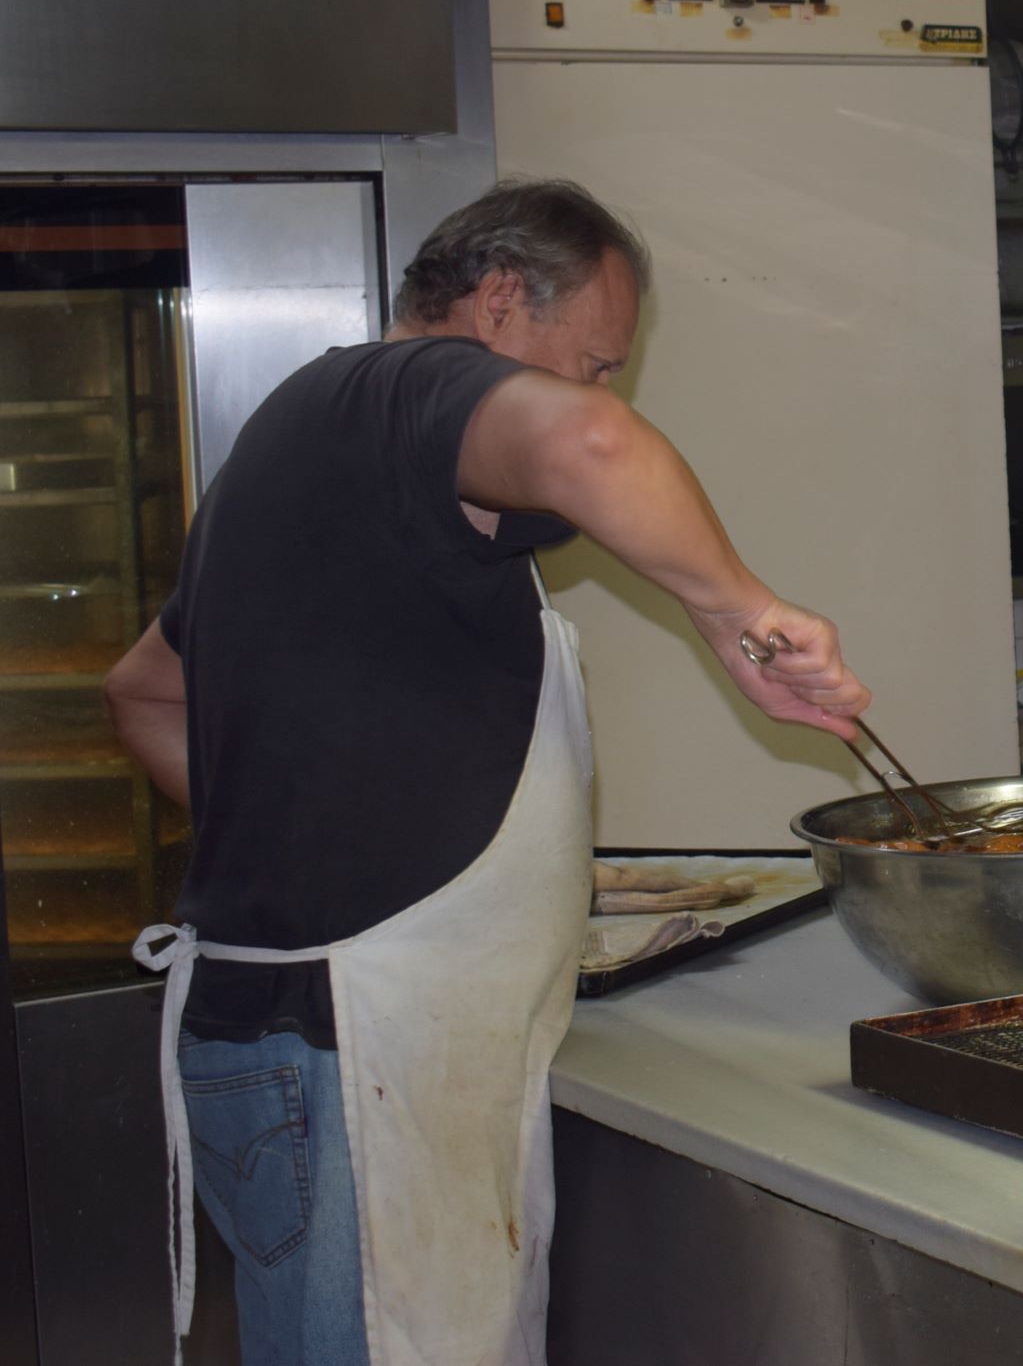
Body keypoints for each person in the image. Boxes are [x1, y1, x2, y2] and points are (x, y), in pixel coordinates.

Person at [104, 178, 869, 1366]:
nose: (599, 393)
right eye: (594, 363)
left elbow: (146, 691)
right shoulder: (400, 388)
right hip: (353, 1059)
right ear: (501, 299)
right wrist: (742, 613)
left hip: (317, 1050)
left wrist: (311, 829)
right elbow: (590, 446)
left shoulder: (308, 440)